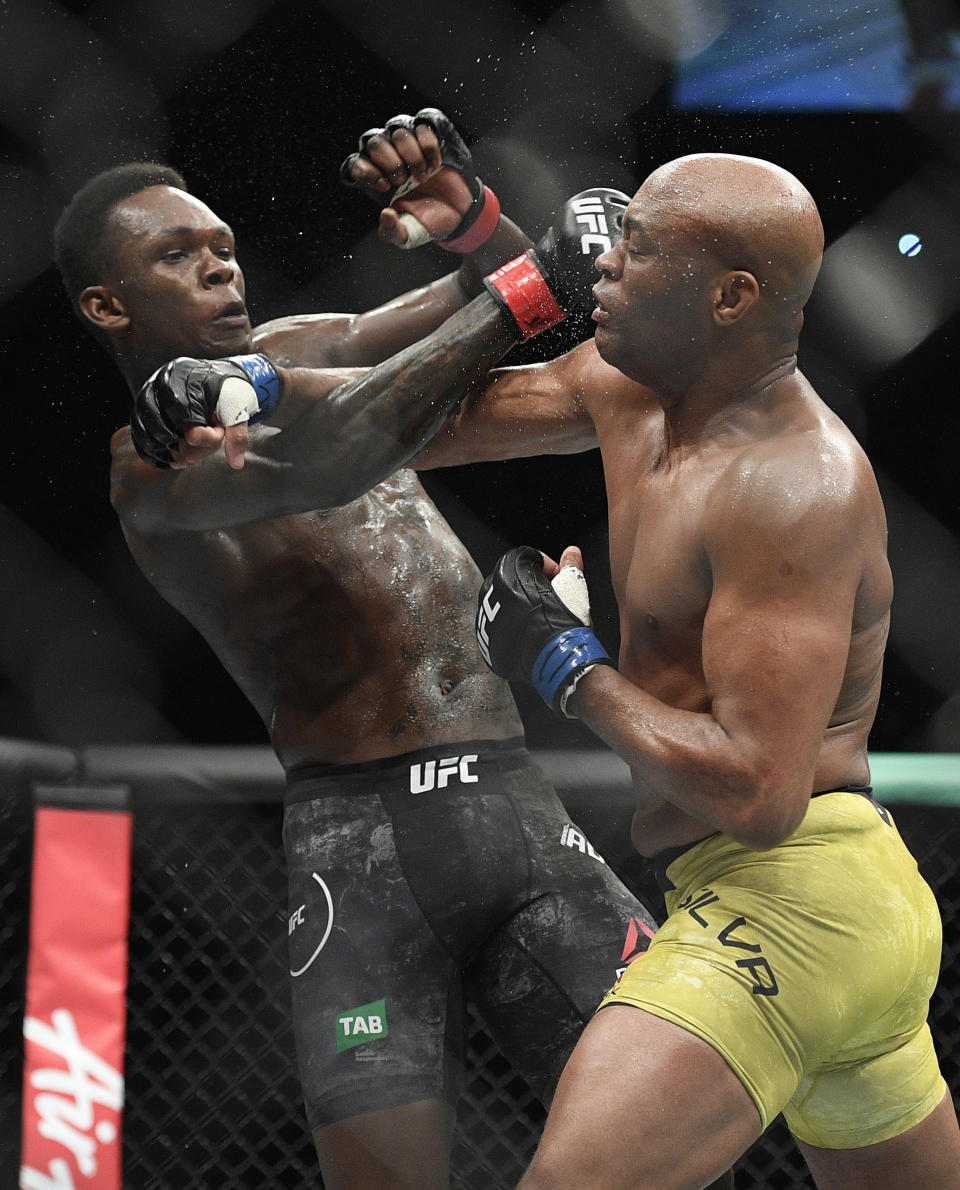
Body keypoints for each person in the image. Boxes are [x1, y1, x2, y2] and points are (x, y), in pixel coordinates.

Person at [53, 112, 674, 1190]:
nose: (218, 263)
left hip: (515, 802)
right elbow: (341, 454)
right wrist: (524, 289)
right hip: (362, 845)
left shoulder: (296, 354)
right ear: (108, 304)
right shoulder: (146, 472)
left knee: (676, 1105)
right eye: (177, 255)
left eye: (223, 246)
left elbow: (512, 298)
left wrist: (474, 221)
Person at [420, 150, 960, 1189]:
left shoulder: (793, 477)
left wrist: (566, 663)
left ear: (731, 296)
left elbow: (761, 791)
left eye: (641, 244)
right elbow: (418, 420)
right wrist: (489, 265)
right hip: (856, 899)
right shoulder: (636, 396)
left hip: (786, 904)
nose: (605, 258)